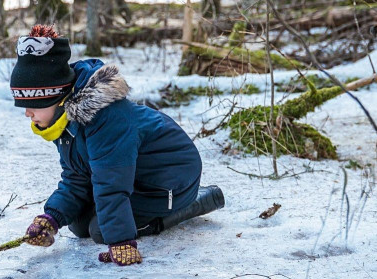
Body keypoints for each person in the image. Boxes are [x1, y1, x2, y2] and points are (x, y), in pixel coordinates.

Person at [12, 25, 225, 266]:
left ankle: (194, 203)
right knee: (78, 223)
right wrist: (51, 217)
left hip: (168, 182)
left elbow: (111, 184)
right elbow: (77, 177)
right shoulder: (65, 119)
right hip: (132, 177)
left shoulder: (106, 119)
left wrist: (122, 241)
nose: (27, 113)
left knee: (101, 231)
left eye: (32, 104)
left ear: (54, 97)